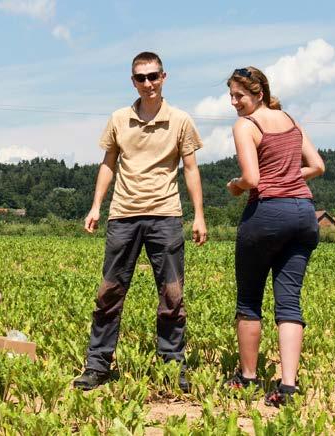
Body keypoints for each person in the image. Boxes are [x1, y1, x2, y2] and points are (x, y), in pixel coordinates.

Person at [73, 51, 208, 393]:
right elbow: (108, 164)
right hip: (123, 215)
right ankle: (97, 365)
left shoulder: (180, 120)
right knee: (109, 293)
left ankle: (173, 366)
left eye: (153, 76)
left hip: (165, 215)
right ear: (132, 81)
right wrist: (95, 207)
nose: (147, 83)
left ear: (164, 77)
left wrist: (199, 215)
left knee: (172, 295)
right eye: (140, 77)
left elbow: (190, 169)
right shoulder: (119, 118)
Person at [223, 66, 325, 407]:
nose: (234, 102)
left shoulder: (246, 126)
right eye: (232, 96)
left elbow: (251, 178)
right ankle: (288, 387)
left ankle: (248, 378)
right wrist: (288, 176)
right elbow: (317, 166)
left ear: (259, 94)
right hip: (304, 214)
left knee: (249, 300)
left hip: (267, 214)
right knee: (289, 302)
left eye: (240, 96)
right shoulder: (290, 120)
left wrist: (235, 186)